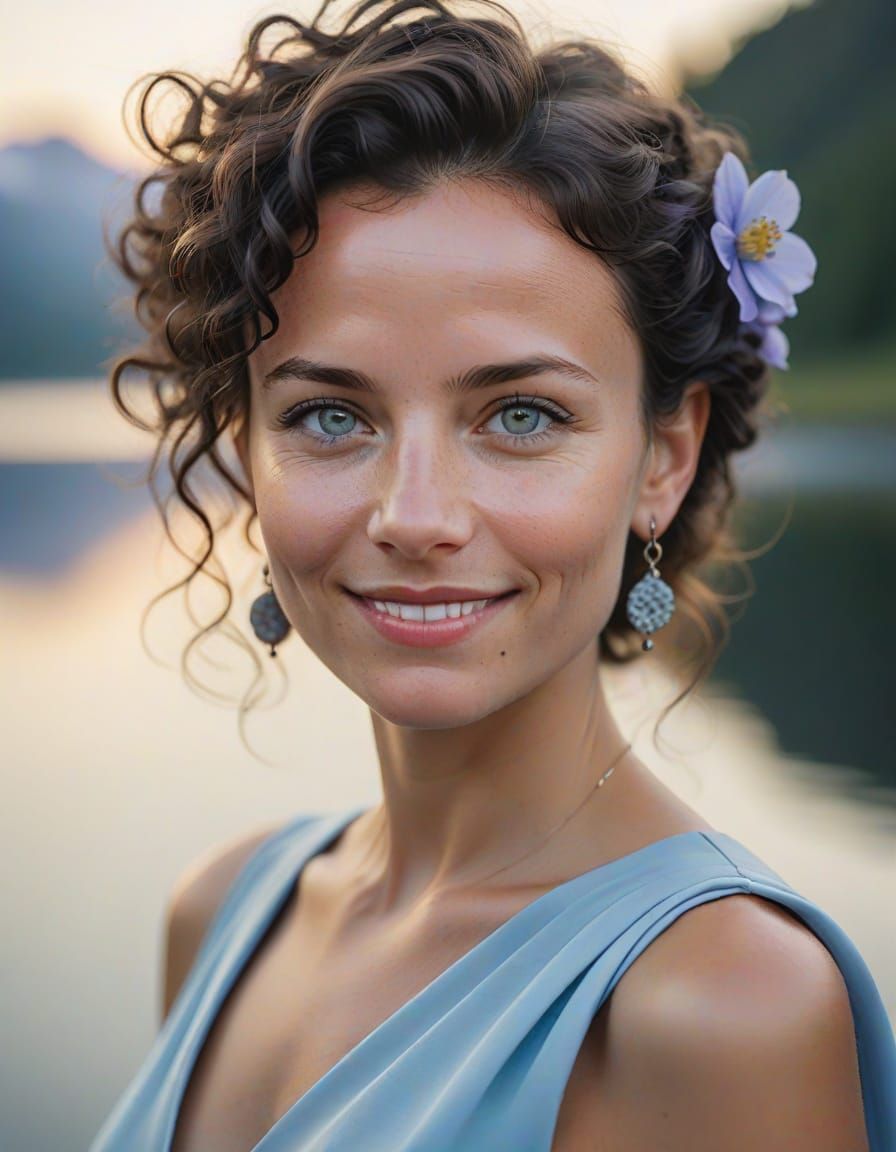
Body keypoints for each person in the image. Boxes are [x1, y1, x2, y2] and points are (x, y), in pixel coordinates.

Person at [90, 1, 895, 1149]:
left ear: (662, 459)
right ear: (246, 449)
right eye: (329, 416)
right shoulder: (222, 911)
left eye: (519, 415)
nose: (414, 516)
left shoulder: (724, 1006)